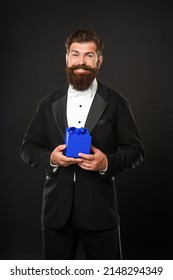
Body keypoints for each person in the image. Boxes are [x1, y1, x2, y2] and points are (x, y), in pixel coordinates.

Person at [20, 28, 145, 260]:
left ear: (99, 61)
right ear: (66, 58)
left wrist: (107, 162)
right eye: (75, 54)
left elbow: (136, 151)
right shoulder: (48, 102)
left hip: (101, 213)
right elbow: (28, 147)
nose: (81, 61)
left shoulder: (116, 102)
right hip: (56, 214)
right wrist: (51, 159)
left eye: (89, 55)